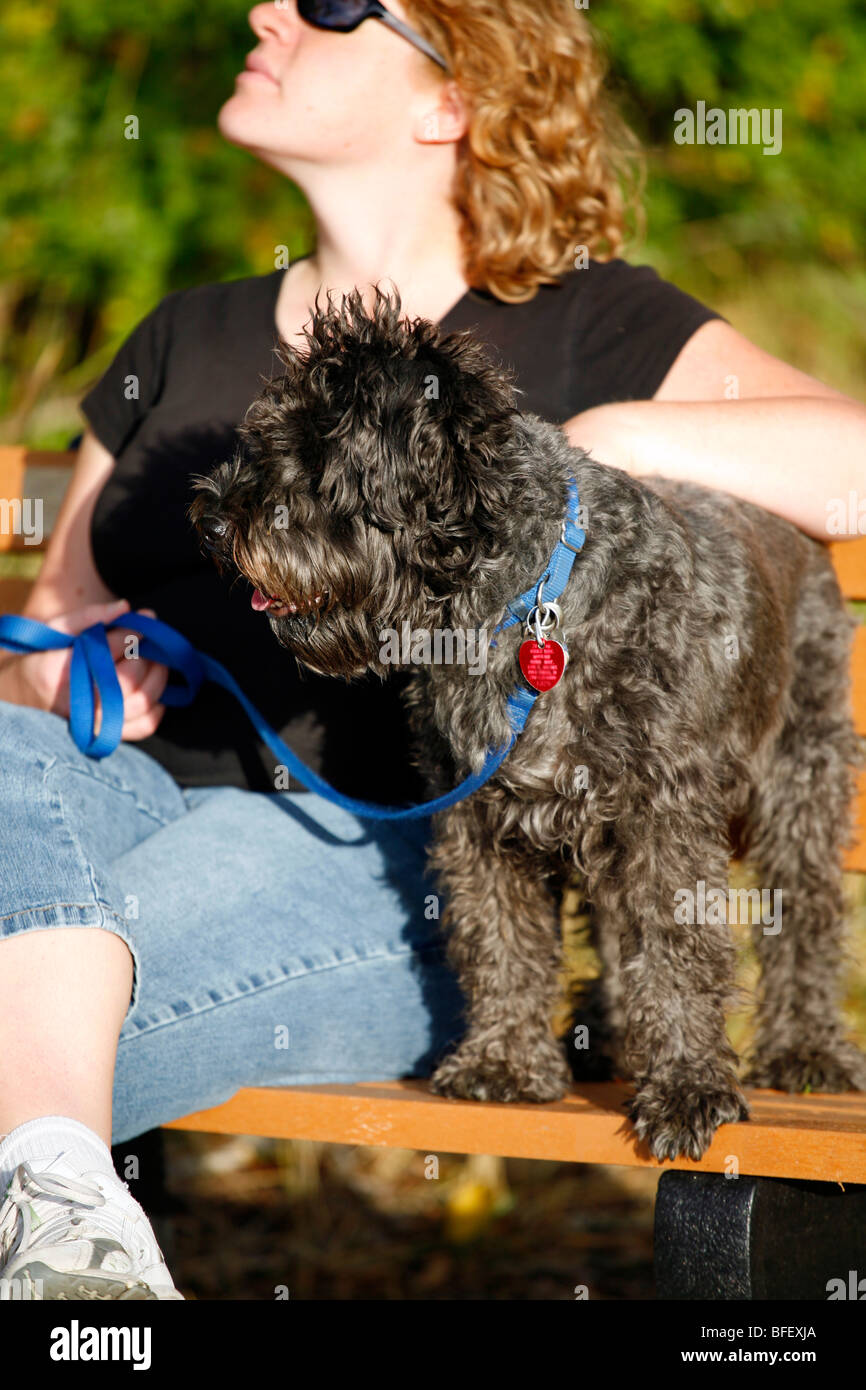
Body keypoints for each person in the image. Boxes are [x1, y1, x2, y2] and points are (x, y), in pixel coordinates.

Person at [0, 0, 863, 1302]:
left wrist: (617, 436)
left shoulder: (589, 323)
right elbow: (46, 632)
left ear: (451, 95)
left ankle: (54, 1193)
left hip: (366, 856)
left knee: (53, 976)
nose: (267, 11)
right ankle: (64, 1216)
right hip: (105, 806)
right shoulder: (183, 333)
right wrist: (65, 669)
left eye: (336, 1)